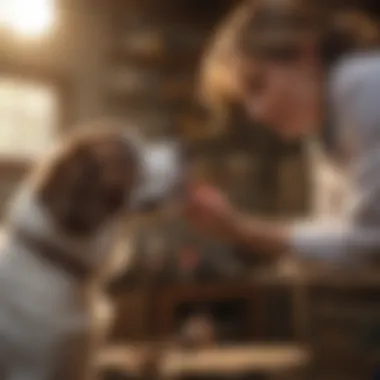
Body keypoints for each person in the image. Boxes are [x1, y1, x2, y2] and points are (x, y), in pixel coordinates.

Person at [186, 0, 380, 266]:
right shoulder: (323, 127)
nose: (255, 113)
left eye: (257, 85)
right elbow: (334, 233)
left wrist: (243, 230)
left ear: (306, 54)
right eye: (244, 102)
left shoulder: (364, 86)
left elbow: (368, 242)